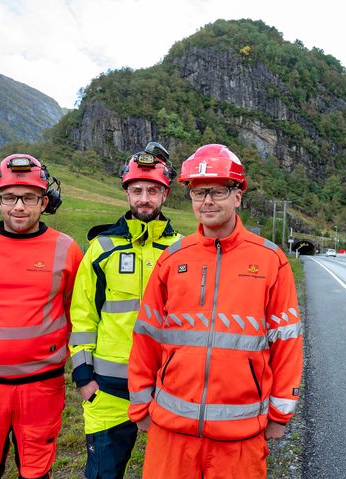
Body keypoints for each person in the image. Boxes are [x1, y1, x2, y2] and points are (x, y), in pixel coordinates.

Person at [128, 144, 303, 478]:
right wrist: (140, 404)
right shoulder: (173, 259)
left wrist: (280, 416)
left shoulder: (271, 261)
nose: (206, 201)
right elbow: (146, 335)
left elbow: (287, 344)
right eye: (198, 192)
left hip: (240, 438)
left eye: (218, 191)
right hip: (171, 434)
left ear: (238, 196)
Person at [0, 153, 83, 479]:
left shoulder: (67, 250)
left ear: (45, 201)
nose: (18, 207)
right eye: (9, 197)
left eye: (29, 198)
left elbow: (70, 308)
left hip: (42, 385)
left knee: (36, 470)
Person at [69, 142, 181, 479]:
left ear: (165, 194)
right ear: (127, 192)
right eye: (137, 190)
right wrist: (83, 377)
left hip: (168, 389)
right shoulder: (100, 248)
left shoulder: (181, 250)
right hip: (107, 391)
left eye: (152, 190)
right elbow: (83, 315)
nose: (144, 198)